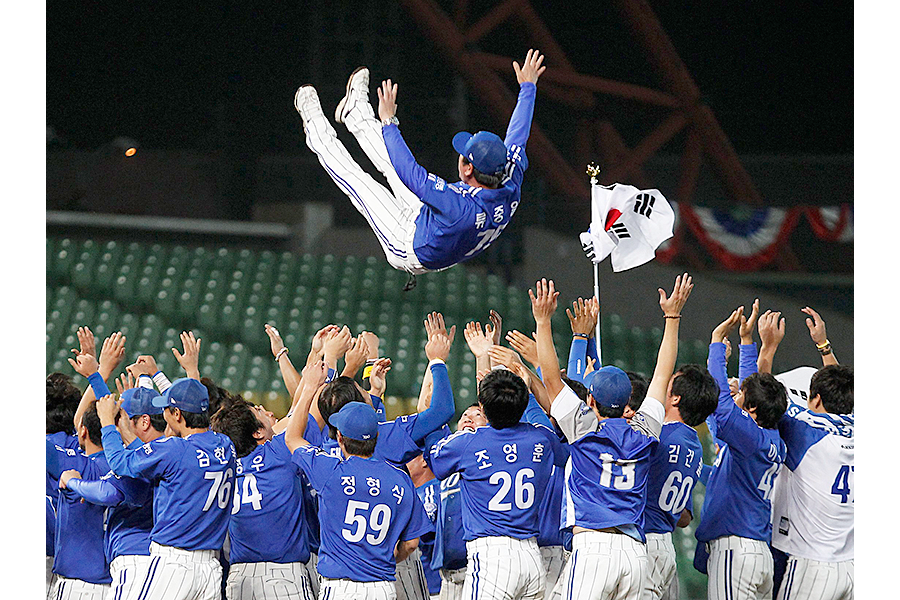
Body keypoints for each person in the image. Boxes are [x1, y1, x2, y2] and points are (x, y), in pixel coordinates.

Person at [293, 49, 545, 287]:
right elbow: (517, 136)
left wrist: (389, 121)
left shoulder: (460, 209)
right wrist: (528, 87)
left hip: (409, 244)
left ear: (468, 169)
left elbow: (411, 173)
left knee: (359, 181)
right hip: (434, 222)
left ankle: (314, 125)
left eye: (462, 154)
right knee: (390, 163)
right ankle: (355, 112)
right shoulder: (508, 177)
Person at [532, 275, 692, 600]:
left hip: (594, 547)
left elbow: (549, 376)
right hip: (635, 553)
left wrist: (543, 320)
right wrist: (672, 318)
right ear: (629, 400)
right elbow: (663, 373)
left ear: (590, 401)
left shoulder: (584, 430)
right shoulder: (646, 431)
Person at [284, 373, 433, 600]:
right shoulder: (401, 479)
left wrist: (307, 392)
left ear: (340, 437)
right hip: (383, 586)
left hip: (341, 588)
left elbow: (292, 438)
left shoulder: (330, 471)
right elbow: (411, 543)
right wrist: (388, 560)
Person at [429, 366, 567, 600]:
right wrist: (530, 395)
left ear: (482, 408)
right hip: (532, 557)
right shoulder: (541, 437)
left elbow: (434, 459)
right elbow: (546, 430)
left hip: (492, 557)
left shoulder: (467, 442)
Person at [97, 377, 237, 600]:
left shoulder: (175, 448)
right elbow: (175, 455)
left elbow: (120, 463)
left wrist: (107, 423)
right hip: (210, 568)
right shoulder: (225, 444)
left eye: (167, 409)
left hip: (174, 564)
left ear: (177, 414)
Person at [756, 310, 854, 600]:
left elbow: (761, 396)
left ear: (816, 398)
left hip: (813, 565)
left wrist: (768, 347)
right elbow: (846, 396)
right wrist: (824, 347)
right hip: (856, 564)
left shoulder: (805, 432)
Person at [694, 302, 788, 600]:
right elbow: (753, 389)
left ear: (751, 410)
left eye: (742, 395)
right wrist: (747, 342)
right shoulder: (771, 435)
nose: (737, 390)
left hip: (736, 548)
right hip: (758, 550)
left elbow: (721, 405)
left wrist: (716, 345)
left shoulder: (748, 437)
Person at [210, 400, 315, 600]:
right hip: (283, 577)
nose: (265, 411)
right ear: (257, 432)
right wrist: (310, 385)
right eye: (258, 411)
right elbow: (307, 415)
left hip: (239, 578)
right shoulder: (279, 453)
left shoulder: (223, 467)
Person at [641, 364, 718, 599]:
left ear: (675, 398)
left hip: (644, 542)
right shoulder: (695, 448)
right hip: (666, 547)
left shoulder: (658, 436)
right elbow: (684, 518)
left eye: (669, 382)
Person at [46, 400, 113, 599]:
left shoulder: (76, 464)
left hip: (79, 586)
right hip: (116, 583)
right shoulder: (132, 468)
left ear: (83, 431)